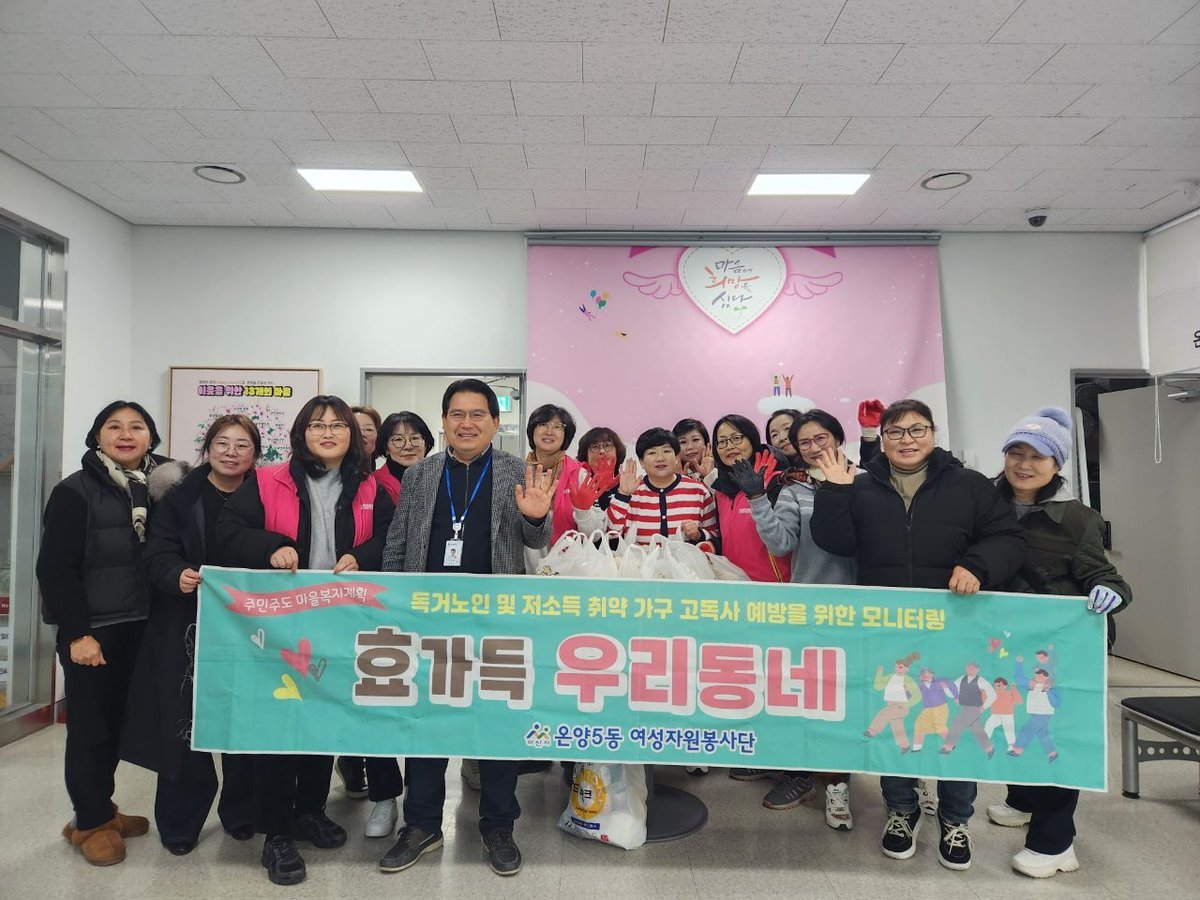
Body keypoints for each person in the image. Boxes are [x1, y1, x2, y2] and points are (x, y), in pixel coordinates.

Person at [810, 398, 1025, 871]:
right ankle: (901, 809)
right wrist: (835, 492)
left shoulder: (969, 485)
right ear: (883, 439)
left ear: (933, 433)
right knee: (898, 721)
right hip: (889, 631)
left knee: (958, 725)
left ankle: (955, 818)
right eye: (896, 432)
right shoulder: (861, 485)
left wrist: (977, 565)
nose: (907, 439)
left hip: (957, 629)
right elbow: (835, 542)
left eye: (917, 429)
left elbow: (1008, 538)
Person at [379, 378, 556, 878]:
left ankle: (498, 825)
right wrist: (394, 605)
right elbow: (397, 543)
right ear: (444, 421)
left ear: (496, 423)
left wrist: (537, 518)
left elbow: (536, 540)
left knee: (497, 725)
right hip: (429, 619)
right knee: (426, 724)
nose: (467, 423)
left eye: (478, 414)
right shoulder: (420, 474)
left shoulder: (516, 471)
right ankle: (421, 824)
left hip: (496, 620)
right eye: (457, 414)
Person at [218, 395, 395, 886]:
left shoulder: (369, 485)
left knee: (322, 720)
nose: (328, 432)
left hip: (339, 622)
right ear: (302, 433)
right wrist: (272, 546)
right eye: (317, 425)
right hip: (281, 624)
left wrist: (363, 556)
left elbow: (390, 537)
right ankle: (276, 832)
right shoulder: (266, 480)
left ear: (352, 435)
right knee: (279, 725)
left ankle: (310, 810)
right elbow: (228, 532)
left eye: (338, 425)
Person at [984, 406, 1131, 879]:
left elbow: (1103, 575)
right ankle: (1023, 799)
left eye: (1038, 456)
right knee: (1013, 722)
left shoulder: (1078, 518)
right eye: (1016, 452)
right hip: (1005, 641)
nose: (1024, 465)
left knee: (1055, 735)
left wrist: (1111, 592)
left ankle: (1055, 843)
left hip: (1060, 648)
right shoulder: (983, 503)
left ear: (1057, 464)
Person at [122, 415, 261, 855]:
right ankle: (180, 820)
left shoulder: (267, 494)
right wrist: (175, 573)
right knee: (184, 724)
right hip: (186, 624)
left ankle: (241, 812)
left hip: (250, 627)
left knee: (244, 719)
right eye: (222, 443)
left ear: (256, 453)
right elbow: (156, 554)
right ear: (207, 448)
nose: (231, 452)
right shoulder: (179, 497)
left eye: (242, 445)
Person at [37, 401, 169, 866]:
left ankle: (101, 808)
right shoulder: (75, 491)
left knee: (120, 722)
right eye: (114, 427)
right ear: (98, 437)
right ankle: (90, 822)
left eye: (137, 427)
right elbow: (56, 570)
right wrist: (78, 634)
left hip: (143, 625)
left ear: (151, 437)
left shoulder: (161, 487)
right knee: (91, 727)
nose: (126, 434)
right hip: (95, 630)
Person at [741, 408, 860, 827]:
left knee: (848, 703)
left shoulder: (866, 482)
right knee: (808, 699)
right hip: (809, 609)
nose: (812, 447)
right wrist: (758, 499)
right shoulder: (794, 491)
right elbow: (780, 544)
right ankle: (805, 776)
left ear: (838, 438)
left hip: (859, 611)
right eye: (804, 441)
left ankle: (839, 782)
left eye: (820, 438)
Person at [336, 410, 434, 828]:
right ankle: (384, 796)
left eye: (415, 437)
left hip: (430, 609)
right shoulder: (368, 485)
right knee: (378, 700)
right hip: (377, 608)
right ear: (383, 446)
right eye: (397, 438)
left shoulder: (442, 478)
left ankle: (420, 795)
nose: (407, 445)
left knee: (425, 701)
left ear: (428, 440)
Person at [607, 427, 716, 545]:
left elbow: (715, 534)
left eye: (666, 451)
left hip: (687, 557)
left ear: (677, 458)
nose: (660, 458)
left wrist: (699, 535)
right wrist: (623, 495)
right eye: (652, 453)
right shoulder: (631, 493)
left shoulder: (698, 490)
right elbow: (611, 536)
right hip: (641, 557)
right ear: (642, 462)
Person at [565, 426, 625, 534]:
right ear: (586, 455)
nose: (602, 451)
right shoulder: (577, 483)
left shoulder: (628, 484)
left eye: (607, 445)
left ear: (617, 451)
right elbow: (591, 535)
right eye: (595, 447)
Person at [672, 418, 715, 486]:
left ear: (706, 442)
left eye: (695, 440)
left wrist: (709, 476)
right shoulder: (670, 475)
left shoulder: (721, 470)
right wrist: (678, 482)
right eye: (683, 442)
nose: (689, 447)